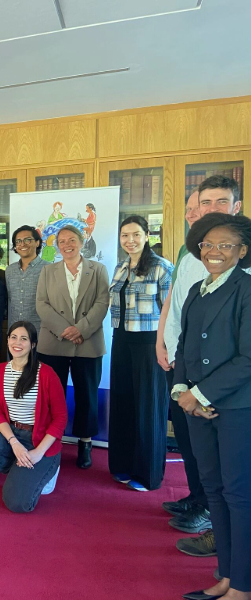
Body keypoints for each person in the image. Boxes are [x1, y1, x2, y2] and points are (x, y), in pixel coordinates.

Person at [161, 177, 244, 556]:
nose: (209, 209)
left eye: (219, 201)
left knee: (232, 479)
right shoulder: (189, 252)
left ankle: (222, 538)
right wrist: (163, 342)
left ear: (236, 207)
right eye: (203, 203)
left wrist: (202, 391)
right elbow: (178, 302)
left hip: (226, 389)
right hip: (185, 367)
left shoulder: (241, 267)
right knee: (200, 458)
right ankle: (200, 502)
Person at [172, 212, 251, 600]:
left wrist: (200, 394)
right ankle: (225, 576)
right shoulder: (195, 290)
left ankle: (243, 586)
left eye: (225, 245)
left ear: (242, 251)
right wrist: (182, 391)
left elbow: (248, 358)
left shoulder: (246, 289)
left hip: (236, 409)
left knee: (239, 495)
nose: (214, 251)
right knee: (215, 491)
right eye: (207, 244)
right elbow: (184, 346)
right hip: (198, 410)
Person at [0, 322, 67, 513]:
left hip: (39, 440)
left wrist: (38, 453)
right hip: (11, 432)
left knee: (17, 504)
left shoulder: (46, 374)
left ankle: (43, 469)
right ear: (8, 340)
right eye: (13, 337)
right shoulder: (0, 371)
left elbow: (60, 418)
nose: (17, 343)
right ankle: (20, 469)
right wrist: (14, 443)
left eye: (24, 339)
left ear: (33, 344)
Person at [35, 224, 109, 470]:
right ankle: (49, 442)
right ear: (57, 246)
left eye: (71, 240)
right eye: (62, 241)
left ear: (82, 242)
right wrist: (65, 330)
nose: (67, 245)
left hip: (88, 343)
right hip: (54, 342)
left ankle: (85, 442)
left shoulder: (98, 269)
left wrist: (81, 330)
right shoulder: (48, 271)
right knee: (51, 396)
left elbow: (102, 302)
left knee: (86, 395)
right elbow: (42, 304)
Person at [107, 216, 173, 491]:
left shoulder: (162, 267)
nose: (130, 240)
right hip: (121, 339)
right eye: (125, 235)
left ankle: (147, 474)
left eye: (135, 234)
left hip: (150, 344)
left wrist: (165, 347)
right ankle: (122, 465)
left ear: (147, 235)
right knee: (123, 404)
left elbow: (171, 312)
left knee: (148, 407)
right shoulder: (121, 266)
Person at [5, 225, 45, 331]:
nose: (22, 244)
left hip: (40, 331)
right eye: (18, 241)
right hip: (15, 331)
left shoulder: (48, 269)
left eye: (27, 240)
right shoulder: (10, 270)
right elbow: (10, 301)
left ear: (37, 242)